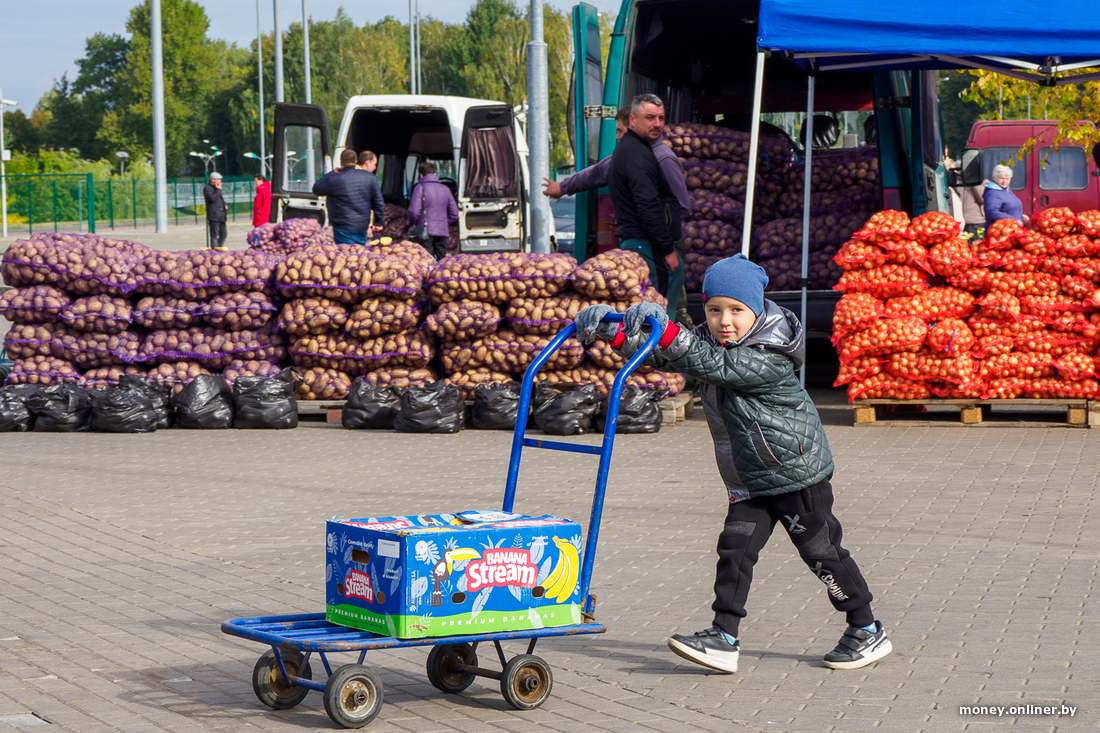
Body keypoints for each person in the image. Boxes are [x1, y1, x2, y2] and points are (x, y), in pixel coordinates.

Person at [573, 254, 892, 675]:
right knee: (735, 551)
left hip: (795, 474)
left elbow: (719, 366)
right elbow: (674, 358)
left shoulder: (772, 350)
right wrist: (615, 334)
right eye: (714, 309)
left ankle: (866, 628)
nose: (726, 320)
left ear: (757, 309)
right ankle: (723, 637)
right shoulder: (713, 340)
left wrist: (669, 331)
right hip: (751, 476)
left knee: (822, 554)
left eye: (737, 310)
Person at [543, 107, 693, 327]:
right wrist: (564, 186)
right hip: (644, 243)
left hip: (660, 242)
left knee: (668, 304)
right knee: (642, 301)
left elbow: (680, 207)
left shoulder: (663, 160)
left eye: (621, 131)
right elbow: (596, 172)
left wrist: (656, 233)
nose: (617, 136)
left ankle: (671, 347)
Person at [608, 94, 685, 319]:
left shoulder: (635, 149)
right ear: (632, 119)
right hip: (647, 245)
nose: (657, 124)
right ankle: (657, 352)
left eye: (661, 118)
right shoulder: (636, 155)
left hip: (644, 244)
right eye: (650, 117)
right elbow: (648, 205)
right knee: (656, 312)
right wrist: (668, 250)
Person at [312, 148, 385, 244]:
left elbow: (316, 189)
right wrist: (379, 222)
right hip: (362, 226)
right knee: (360, 254)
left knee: (346, 255)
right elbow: (378, 202)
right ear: (356, 161)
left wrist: (332, 172)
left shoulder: (334, 178)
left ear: (341, 162)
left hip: (342, 227)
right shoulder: (369, 177)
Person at [408, 161, 459, 260]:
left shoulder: (419, 188)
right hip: (442, 232)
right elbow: (454, 213)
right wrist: (443, 222)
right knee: (442, 261)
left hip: (424, 232)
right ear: (435, 174)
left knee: (427, 261)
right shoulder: (445, 189)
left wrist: (413, 224)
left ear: (421, 175)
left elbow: (414, 211)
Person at [984, 164, 1029, 230]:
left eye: (1007, 179)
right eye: (1002, 178)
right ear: (994, 178)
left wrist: (1020, 216)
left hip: (1011, 229)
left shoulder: (1006, 190)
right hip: (1000, 232)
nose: (1005, 181)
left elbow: (1008, 208)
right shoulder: (992, 193)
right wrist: (1014, 219)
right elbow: (992, 212)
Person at [203, 172, 228, 251]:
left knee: (223, 234)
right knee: (214, 235)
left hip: (221, 215)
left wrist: (224, 205)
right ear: (212, 180)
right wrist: (218, 190)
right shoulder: (207, 188)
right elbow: (212, 198)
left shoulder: (217, 189)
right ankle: (215, 251)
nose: (220, 181)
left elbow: (220, 199)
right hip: (214, 215)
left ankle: (219, 248)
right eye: (218, 179)